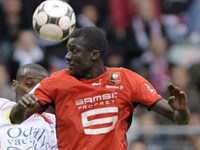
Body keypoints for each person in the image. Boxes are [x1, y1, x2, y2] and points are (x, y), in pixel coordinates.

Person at [10, 27, 190, 150]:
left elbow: (179, 119)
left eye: (74, 50)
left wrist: (182, 111)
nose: (67, 56)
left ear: (94, 55)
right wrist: (21, 107)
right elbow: (16, 118)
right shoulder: (56, 81)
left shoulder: (126, 79)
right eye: (67, 50)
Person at [0, 63, 57, 149]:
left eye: (41, 88)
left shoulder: (52, 122)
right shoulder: (2, 107)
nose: (34, 92)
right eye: (29, 84)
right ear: (14, 85)